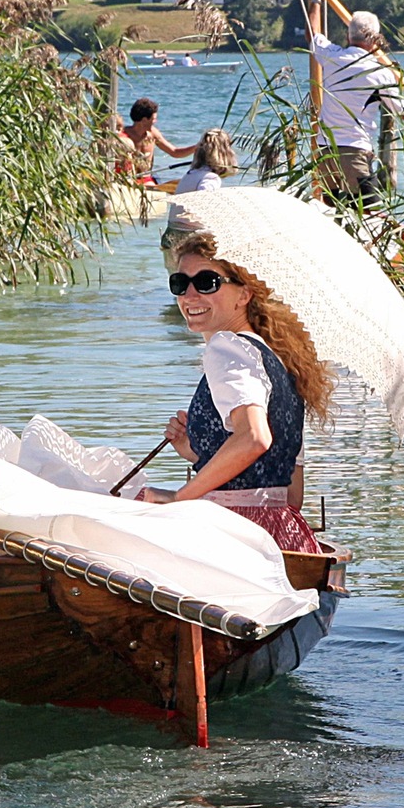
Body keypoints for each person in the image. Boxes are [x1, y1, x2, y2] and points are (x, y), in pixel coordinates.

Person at [141, 232, 335, 554]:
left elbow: (254, 438)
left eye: (207, 282)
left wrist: (179, 497)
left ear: (244, 294)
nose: (189, 295)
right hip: (282, 533)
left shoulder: (225, 347)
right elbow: (291, 495)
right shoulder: (282, 362)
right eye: (180, 283)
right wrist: (197, 451)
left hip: (230, 536)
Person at [307, 9, 404, 209]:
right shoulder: (380, 73)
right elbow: (403, 111)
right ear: (376, 39)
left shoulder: (332, 56)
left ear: (348, 36)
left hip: (324, 152)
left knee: (336, 212)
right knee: (372, 215)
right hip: (353, 151)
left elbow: (312, 33)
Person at [160, 129, 239, 267]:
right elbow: (204, 198)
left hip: (171, 235)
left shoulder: (191, 174)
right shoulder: (211, 178)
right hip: (189, 239)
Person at [121, 97, 198, 184]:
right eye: (153, 119)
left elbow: (175, 152)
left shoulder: (153, 134)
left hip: (147, 178)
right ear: (144, 120)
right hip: (129, 180)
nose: (155, 122)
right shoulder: (124, 136)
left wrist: (197, 147)